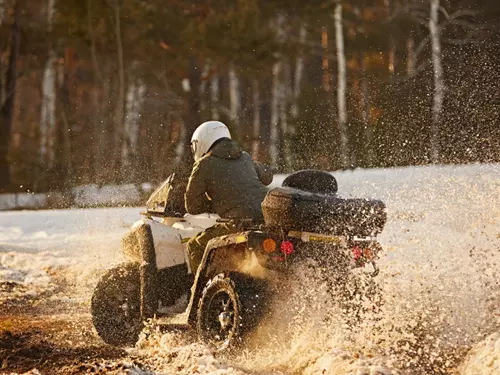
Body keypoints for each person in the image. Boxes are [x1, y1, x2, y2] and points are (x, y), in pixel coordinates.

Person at [185, 120, 273, 274]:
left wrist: (216, 204)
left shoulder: (203, 164)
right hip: (267, 218)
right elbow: (268, 177)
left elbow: (192, 206)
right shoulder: (245, 157)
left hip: (237, 223)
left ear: (201, 142)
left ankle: (200, 294)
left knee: (195, 246)